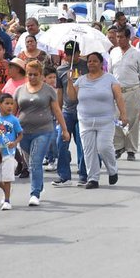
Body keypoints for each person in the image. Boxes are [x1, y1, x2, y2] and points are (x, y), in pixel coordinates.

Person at [66, 52, 126, 189]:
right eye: (89, 61)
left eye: (94, 61)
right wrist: (69, 81)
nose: (91, 63)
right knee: (89, 150)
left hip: (105, 120)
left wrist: (123, 114)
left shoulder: (110, 79)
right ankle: (93, 178)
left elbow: (119, 97)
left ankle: (112, 169)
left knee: (104, 147)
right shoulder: (81, 80)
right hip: (85, 121)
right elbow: (72, 97)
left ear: (101, 63)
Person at [14, 60, 69, 206]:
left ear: (41, 75)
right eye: (29, 74)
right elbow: (12, 113)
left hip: (44, 130)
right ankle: (39, 184)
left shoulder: (48, 90)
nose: (32, 77)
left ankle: (35, 193)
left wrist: (64, 129)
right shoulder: (19, 90)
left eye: (35, 75)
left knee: (35, 162)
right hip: (23, 132)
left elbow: (56, 110)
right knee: (30, 161)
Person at [52, 41, 88, 187]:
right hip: (67, 111)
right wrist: (58, 114)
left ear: (79, 53)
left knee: (81, 142)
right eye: (67, 54)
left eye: (73, 53)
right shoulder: (61, 70)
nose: (69, 56)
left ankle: (83, 174)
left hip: (83, 110)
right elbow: (59, 93)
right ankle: (64, 175)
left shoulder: (86, 66)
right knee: (61, 142)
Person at [110, 27, 140, 161]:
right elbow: (109, 72)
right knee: (117, 120)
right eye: (117, 37)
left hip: (133, 90)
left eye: (121, 37)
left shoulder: (136, 53)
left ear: (128, 38)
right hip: (116, 91)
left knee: (132, 121)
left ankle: (131, 150)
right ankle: (119, 146)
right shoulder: (113, 52)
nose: (119, 40)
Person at [0, 93, 23, 210]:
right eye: (7, 103)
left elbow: (20, 134)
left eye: (11, 104)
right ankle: (7, 189)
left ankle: (7, 200)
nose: (10, 106)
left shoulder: (14, 120)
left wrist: (14, 143)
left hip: (9, 154)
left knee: (7, 177)